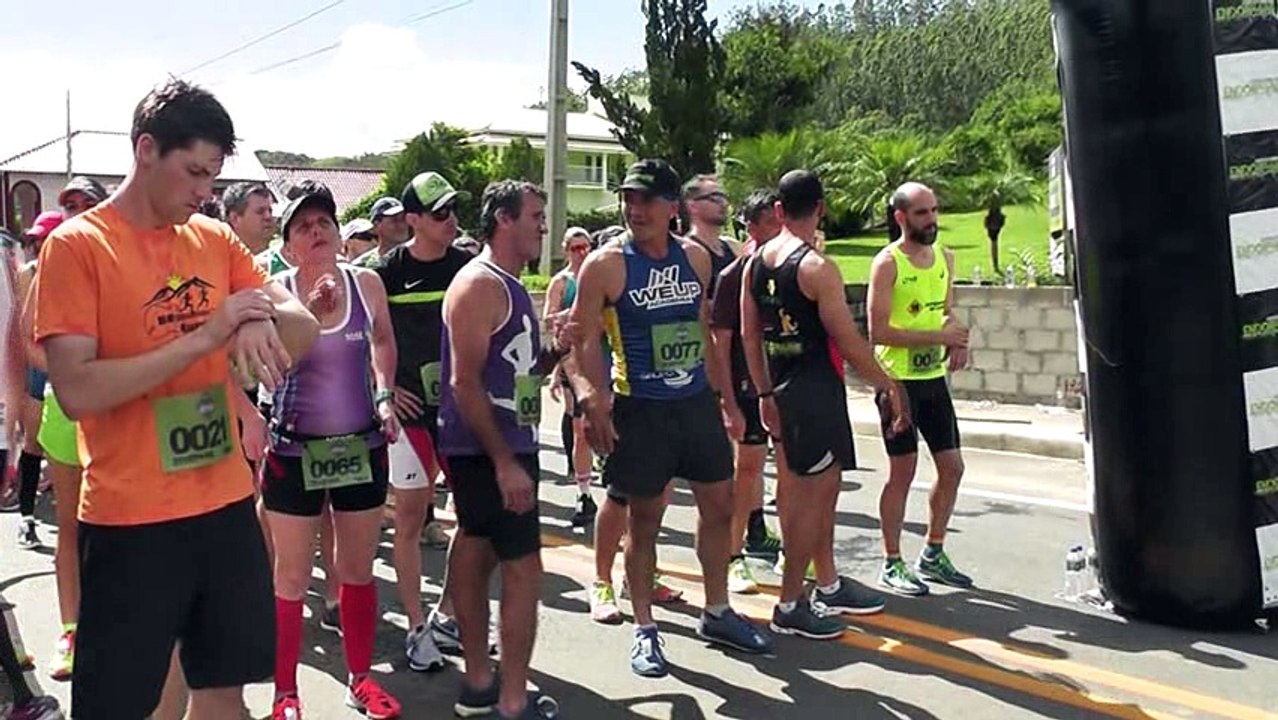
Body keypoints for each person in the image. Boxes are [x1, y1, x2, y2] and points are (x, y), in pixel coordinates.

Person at [34, 78, 320, 718]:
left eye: (213, 179)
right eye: (193, 173)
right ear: (145, 151)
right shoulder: (79, 246)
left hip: (222, 508)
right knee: (123, 702)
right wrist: (208, 335)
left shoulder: (212, 240)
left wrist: (255, 320)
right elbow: (77, 389)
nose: (202, 193)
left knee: (223, 693)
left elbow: (300, 328)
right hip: (131, 520)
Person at [565, 159, 773, 677]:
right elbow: (580, 338)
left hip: (695, 403)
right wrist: (592, 399)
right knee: (645, 519)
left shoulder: (696, 260)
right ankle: (645, 628)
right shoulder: (606, 264)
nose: (635, 210)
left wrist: (725, 400)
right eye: (629, 200)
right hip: (641, 408)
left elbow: (702, 333)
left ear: (671, 208)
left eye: (646, 200)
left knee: (720, 507)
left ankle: (718, 610)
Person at [255, 190, 402, 720]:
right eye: (303, 227)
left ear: (340, 235)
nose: (316, 231)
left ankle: (361, 680)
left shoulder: (367, 284)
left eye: (324, 222)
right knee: (291, 577)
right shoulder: (275, 293)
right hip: (294, 451)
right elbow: (266, 371)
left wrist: (384, 394)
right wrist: (306, 320)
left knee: (357, 570)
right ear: (290, 246)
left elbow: (383, 340)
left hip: (361, 445)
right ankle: (285, 693)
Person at [742, 170, 904, 640]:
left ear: (778, 210)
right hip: (815, 391)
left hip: (782, 387)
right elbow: (848, 339)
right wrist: (886, 383)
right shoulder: (816, 268)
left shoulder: (757, 262)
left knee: (803, 493)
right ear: (822, 208)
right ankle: (791, 602)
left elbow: (751, 335)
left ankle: (817, 587)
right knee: (814, 498)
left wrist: (764, 393)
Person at [440, 180, 564, 720]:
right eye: (535, 214)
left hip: (507, 441)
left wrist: (556, 348)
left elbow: (515, 374)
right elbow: (463, 383)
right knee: (522, 569)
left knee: (475, 548)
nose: (543, 223)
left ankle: (478, 685)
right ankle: (510, 701)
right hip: (489, 448)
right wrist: (504, 462)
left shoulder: (509, 286)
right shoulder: (479, 285)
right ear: (504, 221)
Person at [376, 171, 472, 668]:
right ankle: (417, 629)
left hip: (458, 411)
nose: (451, 220)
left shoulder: (468, 266)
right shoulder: (385, 271)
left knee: (474, 519)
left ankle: (447, 616)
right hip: (411, 415)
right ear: (412, 220)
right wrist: (387, 391)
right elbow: (370, 339)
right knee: (410, 520)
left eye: (453, 210)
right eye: (440, 213)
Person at [15, 177, 105, 681]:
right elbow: (29, 342)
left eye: (85, 203)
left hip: (119, 416)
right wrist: (72, 373)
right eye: (67, 203)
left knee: (119, 528)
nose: (75, 211)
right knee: (69, 526)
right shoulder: (44, 268)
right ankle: (72, 630)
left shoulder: (118, 260)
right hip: (67, 411)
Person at [868, 181, 972, 597]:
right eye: (921, 213)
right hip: (898, 385)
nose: (932, 220)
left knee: (953, 468)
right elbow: (878, 331)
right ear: (901, 218)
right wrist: (938, 337)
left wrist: (959, 337)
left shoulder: (945, 258)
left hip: (932, 382)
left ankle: (933, 553)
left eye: (933, 211)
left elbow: (946, 313)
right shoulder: (887, 263)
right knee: (902, 473)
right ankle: (891, 561)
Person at [709, 190, 785, 596]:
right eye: (772, 224)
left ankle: (793, 551)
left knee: (792, 472)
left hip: (787, 384)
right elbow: (720, 343)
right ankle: (733, 556)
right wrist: (728, 400)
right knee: (748, 470)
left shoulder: (794, 270)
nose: (781, 232)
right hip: (746, 387)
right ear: (752, 228)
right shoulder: (732, 276)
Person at [11, 210, 62, 551]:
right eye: (36, 240)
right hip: (40, 364)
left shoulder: (84, 270)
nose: (40, 246)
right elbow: (21, 329)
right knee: (33, 442)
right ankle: (26, 518)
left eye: (47, 239)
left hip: (75, 364)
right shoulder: (28, 274)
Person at [544, 226, 596, 527]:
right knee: (580, 428)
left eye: (585, 246)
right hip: (574, 362)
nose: (581, 253)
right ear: (566, 250)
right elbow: (549, 321)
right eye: (575, 248)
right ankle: (584, 492)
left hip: (602, 358)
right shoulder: (562, 282)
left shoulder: (600, 274)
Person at [353, 197, 411, 268]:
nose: (402, 224)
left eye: (403, 218)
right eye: (394, 220)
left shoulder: (422, 255)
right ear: (376, 225)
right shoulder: (363, 266)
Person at [224, 182, 276, 256]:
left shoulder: (286, 257)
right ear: (235, 219)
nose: (268, 217)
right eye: (260, 212)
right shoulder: (219, 259)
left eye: (270, 211)